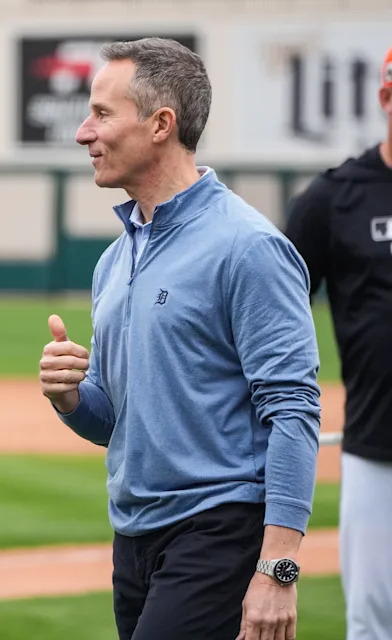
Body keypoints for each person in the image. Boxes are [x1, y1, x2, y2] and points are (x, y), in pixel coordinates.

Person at [38, 37, 321, 640]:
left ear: (161, 124)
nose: (84, 132)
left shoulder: (249, 247)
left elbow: (294, 412)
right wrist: (70, 399)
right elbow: (115, 421)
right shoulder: (113, 261)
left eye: (103, 114)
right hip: (133, 540)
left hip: (218, 534)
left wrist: (277, 569)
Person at [284, 46, 392, 640]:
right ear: (384, 98)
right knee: (373, 624)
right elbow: (270, 301)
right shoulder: (336, 197)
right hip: (377, 450)